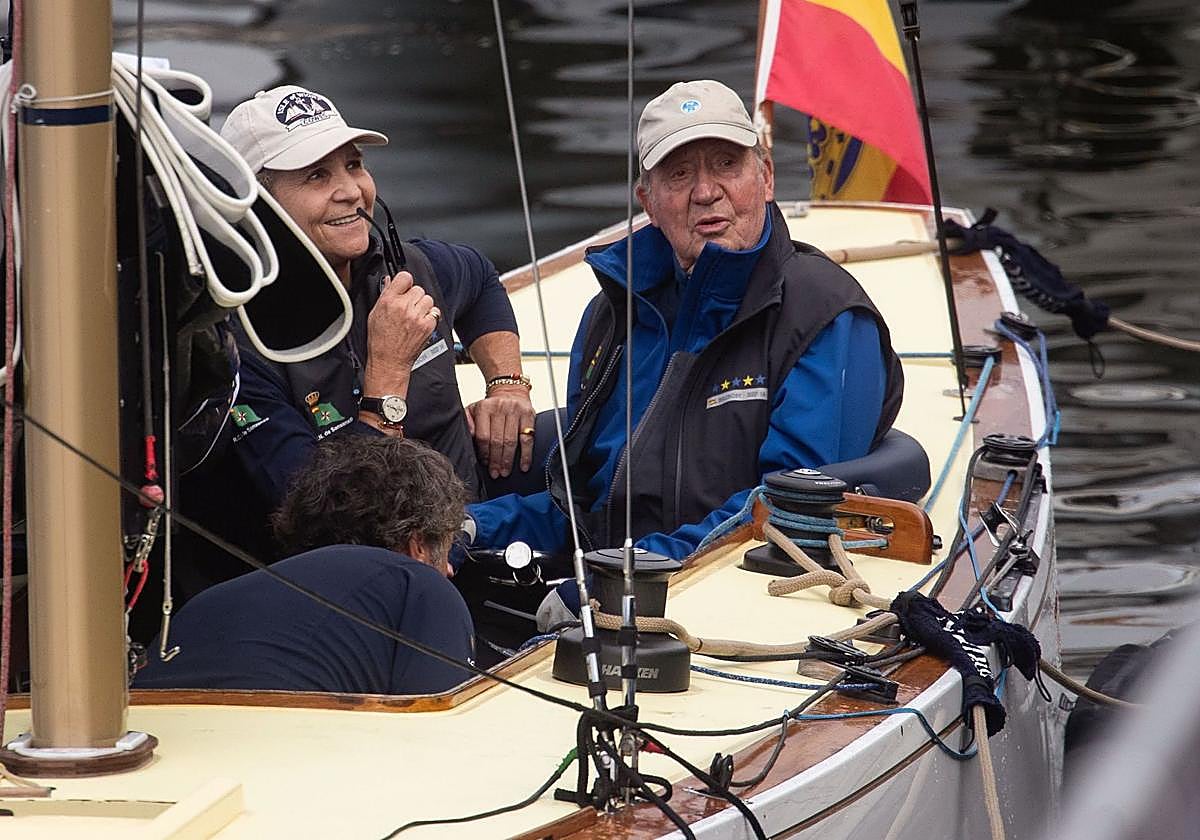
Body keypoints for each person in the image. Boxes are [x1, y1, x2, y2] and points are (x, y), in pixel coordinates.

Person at [464, 79, 904, 564]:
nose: (706, 191)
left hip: (740, 592)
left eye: (726, 164)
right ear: (647, 200)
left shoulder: (825, 315)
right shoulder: (609, 318)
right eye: (678, 174)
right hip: (617, 585)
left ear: (767, 177)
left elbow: (787, 514)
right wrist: (467, 527)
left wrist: (631, 574)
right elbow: (585, 511)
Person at [219, 84, 536, 505]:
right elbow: (322, 514)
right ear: (258, 205)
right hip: (376, 557)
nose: (352, 190)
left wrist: (507, 385)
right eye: (317, 175)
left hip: (476, 522)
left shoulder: (413, 268)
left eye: (354, 165)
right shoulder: (240, 350)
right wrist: (386, 378)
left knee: (594, 444)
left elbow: (480, 279)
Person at [135, 436, 475, 695]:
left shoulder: (205, 602)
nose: (448, 571)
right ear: (417, 545)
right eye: (445, 551)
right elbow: (441, 733)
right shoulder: (417, 584)